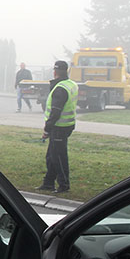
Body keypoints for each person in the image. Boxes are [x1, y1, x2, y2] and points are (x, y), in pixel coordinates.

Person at [37, 60, 78, 193]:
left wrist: (47, 129)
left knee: (59, 157)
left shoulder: (60, 89)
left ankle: (64, 185)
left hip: (59, 127)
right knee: (51, 156)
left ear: (55, 72)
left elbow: (55, 112)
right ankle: (48, 183)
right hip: (67, 125)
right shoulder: (71, 84)